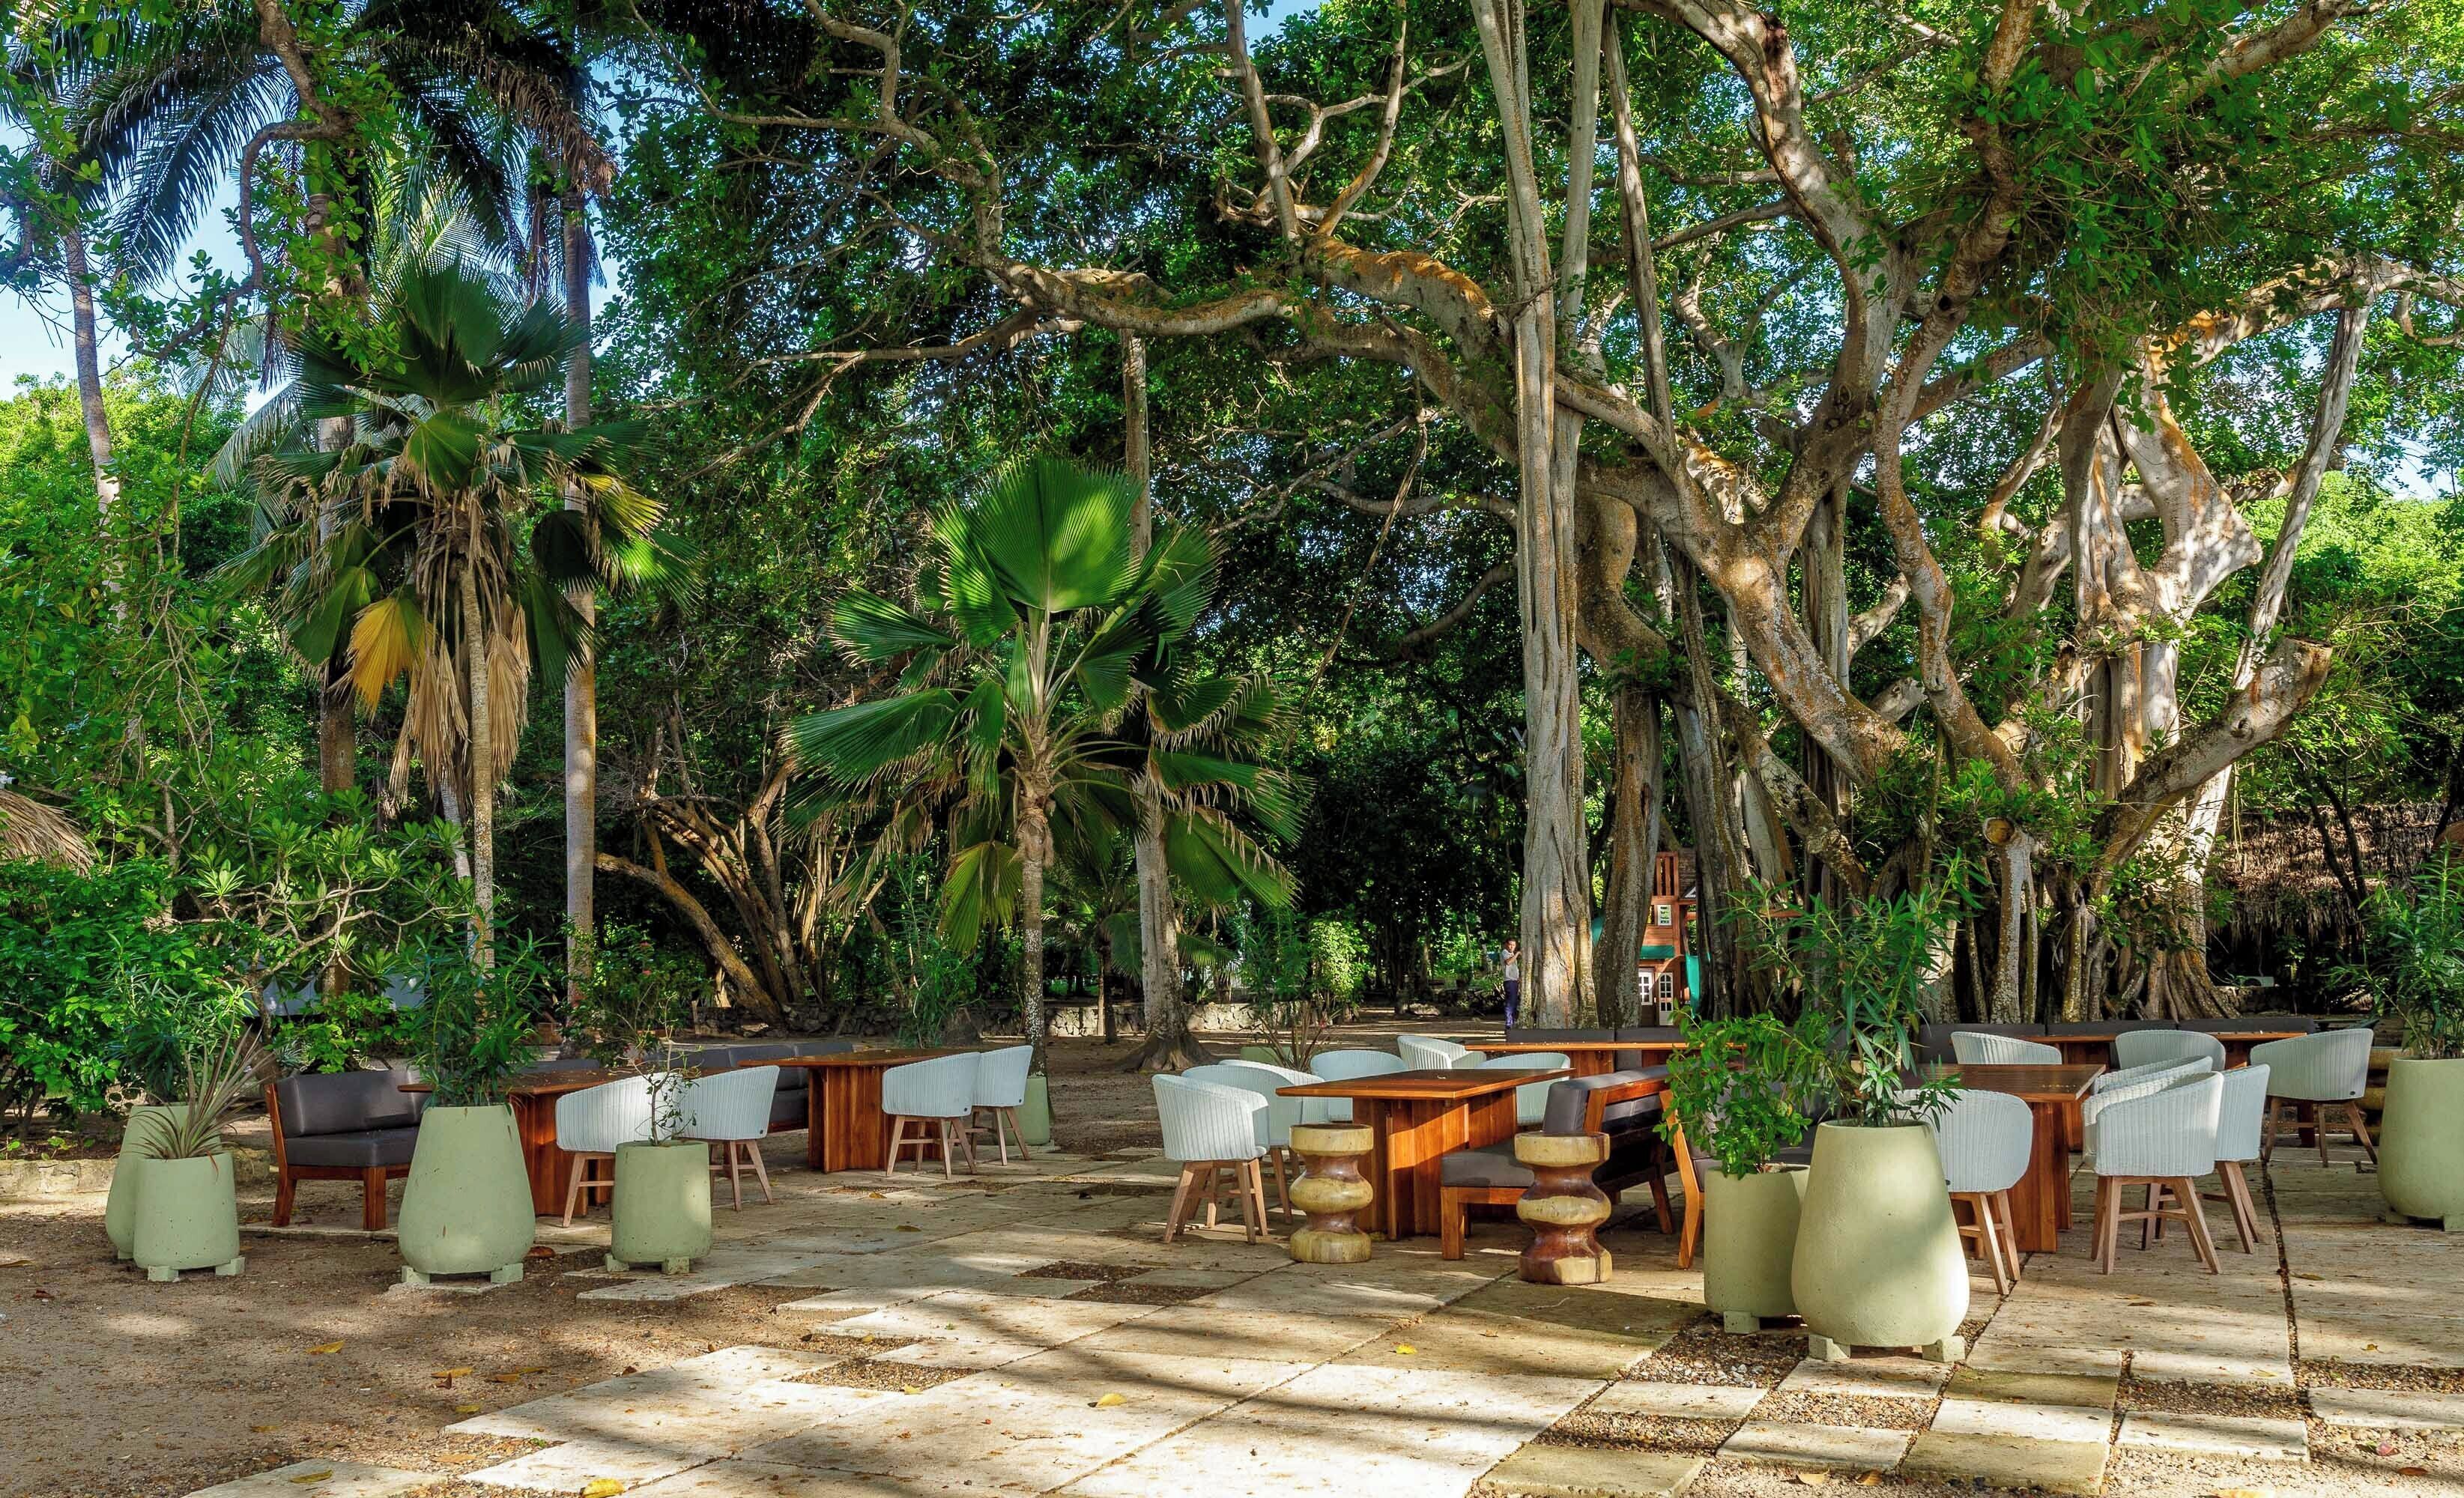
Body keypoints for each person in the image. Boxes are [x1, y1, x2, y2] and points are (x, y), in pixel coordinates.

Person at [1501, 939, 1521, 1029]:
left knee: (1514, 1003)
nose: (1512, 946)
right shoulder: (1505, 952)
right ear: (1506, 945)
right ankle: (1509, 1025)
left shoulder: (1512, 954)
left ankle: (1512, 1024)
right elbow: (1508, 962)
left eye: (1514, 945)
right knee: (1510, 1003)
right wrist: (1517, 954)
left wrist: (1518, 978)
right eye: (1510, 945)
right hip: (1509, 982)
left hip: (1514, 981)